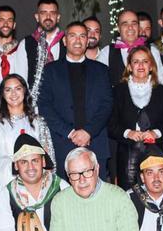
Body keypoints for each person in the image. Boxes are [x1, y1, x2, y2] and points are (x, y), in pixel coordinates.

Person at [38, 21, 113, 180]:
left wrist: (88, 132)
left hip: (96, 144)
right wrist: (70, 133)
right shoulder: (50, 70)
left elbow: (107, 105)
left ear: (87, 41)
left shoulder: (101, 70)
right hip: (62, 144)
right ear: (64, 41)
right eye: (72, 36)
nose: (77, 40)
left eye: (82, 36)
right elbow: (44, 106)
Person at [0, 73, 54, 199]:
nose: (13, 94)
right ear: (2, 95)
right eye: (8, 90)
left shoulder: (38, 123)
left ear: (25, 91)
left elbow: (48, 157)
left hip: (32, 180)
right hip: (1, 182)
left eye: (18, 88)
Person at [109, 46, 163, 189]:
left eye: (145, 61)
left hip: (156, 152)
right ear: (129, 67)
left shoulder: (162, 91)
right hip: (127, 154)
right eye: (136, 61)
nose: (140, 65)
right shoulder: (118, 91)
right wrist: (128, 133)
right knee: (129, 196)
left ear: (151, 66)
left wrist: (155, 133)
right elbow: (111, 124)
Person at [98, 9, 163, 87]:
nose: (130, 27)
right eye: (125, 24)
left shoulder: (152, 50)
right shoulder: (107, 52)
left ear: (138, 27)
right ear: (118, 28)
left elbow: (161, 81)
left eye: (134, 23)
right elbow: (100, 83)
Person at [23, 0, 66, 85]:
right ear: (37, 17)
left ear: (58, 17)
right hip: (34, 97)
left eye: (52, 13)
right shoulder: (25, 44)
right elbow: (21, 80)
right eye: (43, 13)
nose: (48, 17)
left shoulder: (68, 41)